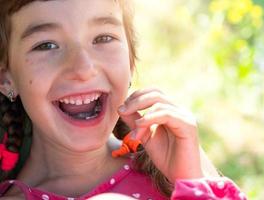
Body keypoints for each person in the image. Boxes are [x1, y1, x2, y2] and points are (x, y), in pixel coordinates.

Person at [0, 0, 246, 199]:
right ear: (5, 78)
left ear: (131, 60)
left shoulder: (177, 162)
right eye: (46, 45)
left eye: (103, 38)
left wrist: (191, 181)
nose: (83, 68)